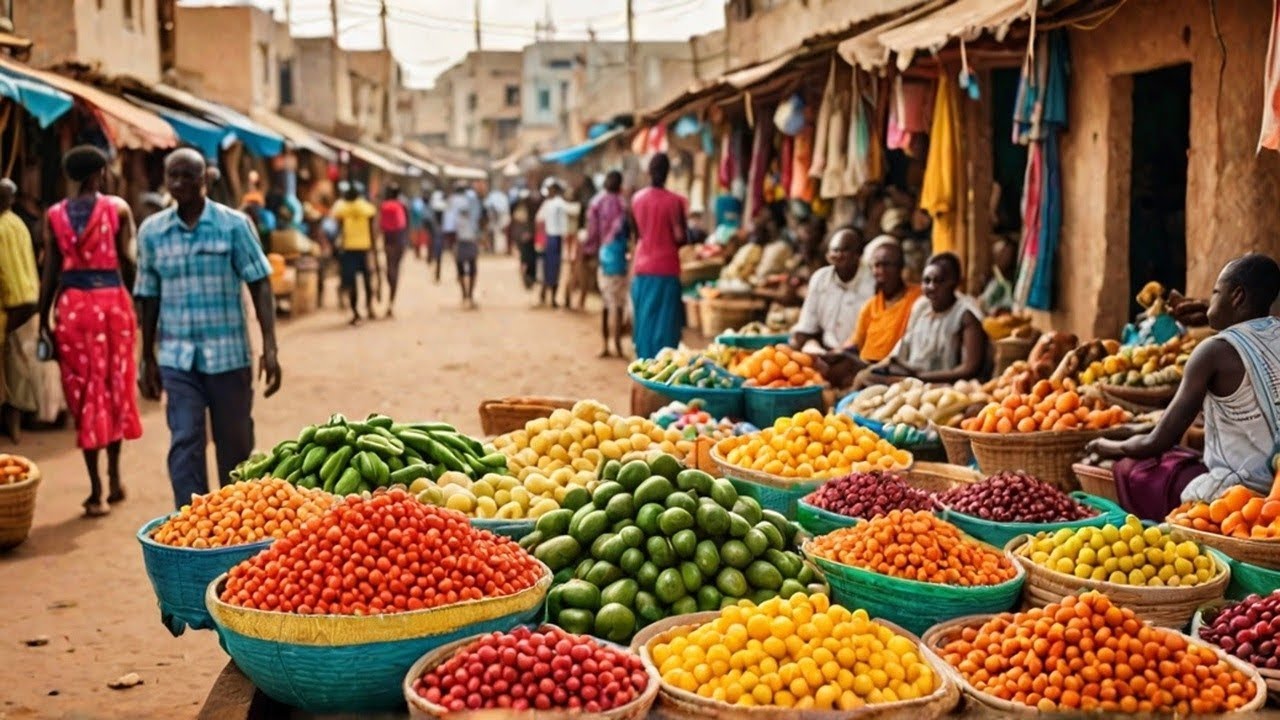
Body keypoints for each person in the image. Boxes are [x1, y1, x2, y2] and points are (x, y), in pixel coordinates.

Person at [135, 148, 282, 510]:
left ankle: (237, 520)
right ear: (165, 181)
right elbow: (148, 297)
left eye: (188, 176)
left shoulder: (233, 225)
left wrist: (271, 348)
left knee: (235, 445)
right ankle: (192, 523)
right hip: (177, 358)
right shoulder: (152, 232)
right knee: (185, 440)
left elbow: (260, 284)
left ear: (205, 180)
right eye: (173, 176)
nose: (180, 183)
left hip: (229, 356)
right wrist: (147, 359)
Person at [1087, 254, 1280, 519]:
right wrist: (1210, 311)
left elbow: (1158, 442)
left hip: (1242, 496)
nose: (1209, 303)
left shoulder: (1212, 353)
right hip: (1274, 481)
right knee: (1182, 455)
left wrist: (1104, 445)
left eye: (1215, 293)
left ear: (1236, 296)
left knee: (1131, 467)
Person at [37, 147, 142, 516]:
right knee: (114, 389)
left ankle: (96, 489)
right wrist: (139, 305)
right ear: (101, 172)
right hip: (112, 307)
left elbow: (50, 271)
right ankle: (114, 479)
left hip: (72, 312)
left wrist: (42, 321)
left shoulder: (54, 215)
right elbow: (127, 263)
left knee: (84, 395)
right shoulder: (118, 209)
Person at [857, 252, 986, 385]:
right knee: (864, 376)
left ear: (954, 283)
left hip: (941, 385)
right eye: (927, 281)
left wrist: (919, 376)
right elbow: (902, 350)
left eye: (939, 281)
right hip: (910, 378)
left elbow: (969, 369)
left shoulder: (965, 315)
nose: (931, 287)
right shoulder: (921, 308)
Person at [828, 240, 921, 386]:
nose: (881, 270)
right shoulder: (870, 305)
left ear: (900, 267)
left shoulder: (918, 297)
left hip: (897, 366)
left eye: (887, 264)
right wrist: (835, 353)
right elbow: (855, 342)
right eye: (877, 265)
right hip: (868, 364)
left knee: (863, 378)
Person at [630, 153, 688, 359]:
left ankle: (643, 365)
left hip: (643, 266)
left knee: (644, 320)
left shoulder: (636, 199)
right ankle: (662, 369)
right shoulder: (675, 201)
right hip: (667, 267)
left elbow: (637, 234)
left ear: (648, 172)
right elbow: (681, 236)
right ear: (667, 173)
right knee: (666, 324)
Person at [0, 179, 39, 442]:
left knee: (9, 372)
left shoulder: (4, 227)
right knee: (15, 369)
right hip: (25, 305)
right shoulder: (18, 223)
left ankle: (12, 430)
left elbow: (6, 273)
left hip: (10, 309)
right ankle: (14, 430)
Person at [790, 229, 868, 355]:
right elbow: (807, 326)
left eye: (845, 250)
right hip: (826, 351)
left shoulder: (872, 283)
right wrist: (811, 344)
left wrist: (841, 352)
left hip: (858, 354)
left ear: (858, 254)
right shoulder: (820, 278)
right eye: (834, 250)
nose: (838, 255)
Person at [589, 170, 629, 358]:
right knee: (619, 304)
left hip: (604, 257)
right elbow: (630, 232)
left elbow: (592, 232)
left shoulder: (596, 203)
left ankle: (605, 345)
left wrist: (591, 251)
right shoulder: (623, 204)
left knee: (605, 303)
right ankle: (618, 344)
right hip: (620, 258)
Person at [330, 183, 377, 324]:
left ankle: (356, 312)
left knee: (351, 283)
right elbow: (372, 228)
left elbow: (337, 224)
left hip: (349, 249)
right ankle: (369, 307)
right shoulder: (367, 208)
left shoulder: (342, 209)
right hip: (365, 248)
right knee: (368, 280)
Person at [536, 179, 569, 308]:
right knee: (547, 267)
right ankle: (545, 294)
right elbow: (539, 219)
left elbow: (563, 224)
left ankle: (552, 297)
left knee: (554, 267)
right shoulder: (548, 203)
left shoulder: (559, 204)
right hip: (548, 238)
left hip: (556, 238)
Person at [379, 184, 410, 317]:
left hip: (388, 242)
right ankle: (391, 300)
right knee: (395, 269)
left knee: (390, 268)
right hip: (400, 241)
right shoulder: (403, 205)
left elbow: (380, 225)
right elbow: (407, 225)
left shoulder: (383, 206)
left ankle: (390, 299)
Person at [449, 182, 480, 308]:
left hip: (459, 239)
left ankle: (464, 295)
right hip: (471, 238)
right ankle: (470, 296)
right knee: (472, 267)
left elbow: (449, 224)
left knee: (460, 267)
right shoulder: (473, 201)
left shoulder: (452, 202)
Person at [979, 236, 1018, 314]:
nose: (1000, 257)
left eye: (1004, 253)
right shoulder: (995, 280)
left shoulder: (1012, 281)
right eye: (998, 254)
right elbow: (983, 302)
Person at [511, 189, 538, 289]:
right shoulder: (519, 210)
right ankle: (525, 279)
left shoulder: (531, 209)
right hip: (522, 239)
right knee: (524, 260)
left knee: (528, 260)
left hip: (529, 239)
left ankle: (529, 278)